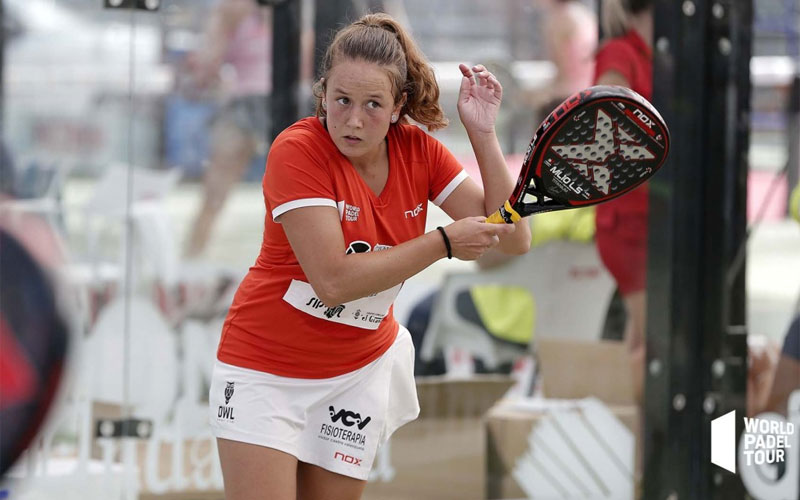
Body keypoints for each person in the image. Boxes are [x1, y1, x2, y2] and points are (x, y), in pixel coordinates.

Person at [207, 13, 530, 499]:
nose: (354, 120)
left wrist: (483, 135)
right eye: (341, 101)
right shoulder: (297, 151)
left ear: (399, 104)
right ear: (322, 95)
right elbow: (333, 282)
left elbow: (513, 239)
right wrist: (442, 243)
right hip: (265, 370)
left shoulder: (418, 150)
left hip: (354, 374)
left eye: (373, 104)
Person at [593, 0, 653, 406]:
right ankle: (644, 446)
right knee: (654, 346)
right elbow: (606, 128)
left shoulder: (656, 53)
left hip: (656, 220)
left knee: (645, 339)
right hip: (630, 224)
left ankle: (635, 440)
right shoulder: (620, 53)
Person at [183, 0, 272, 258]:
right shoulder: (235, 9)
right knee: (215, 195)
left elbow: (207, 66)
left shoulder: (232, 9)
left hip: (250, 102)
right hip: (263, 103)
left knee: (213, 197)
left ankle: (190, 260)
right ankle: (190, 261)